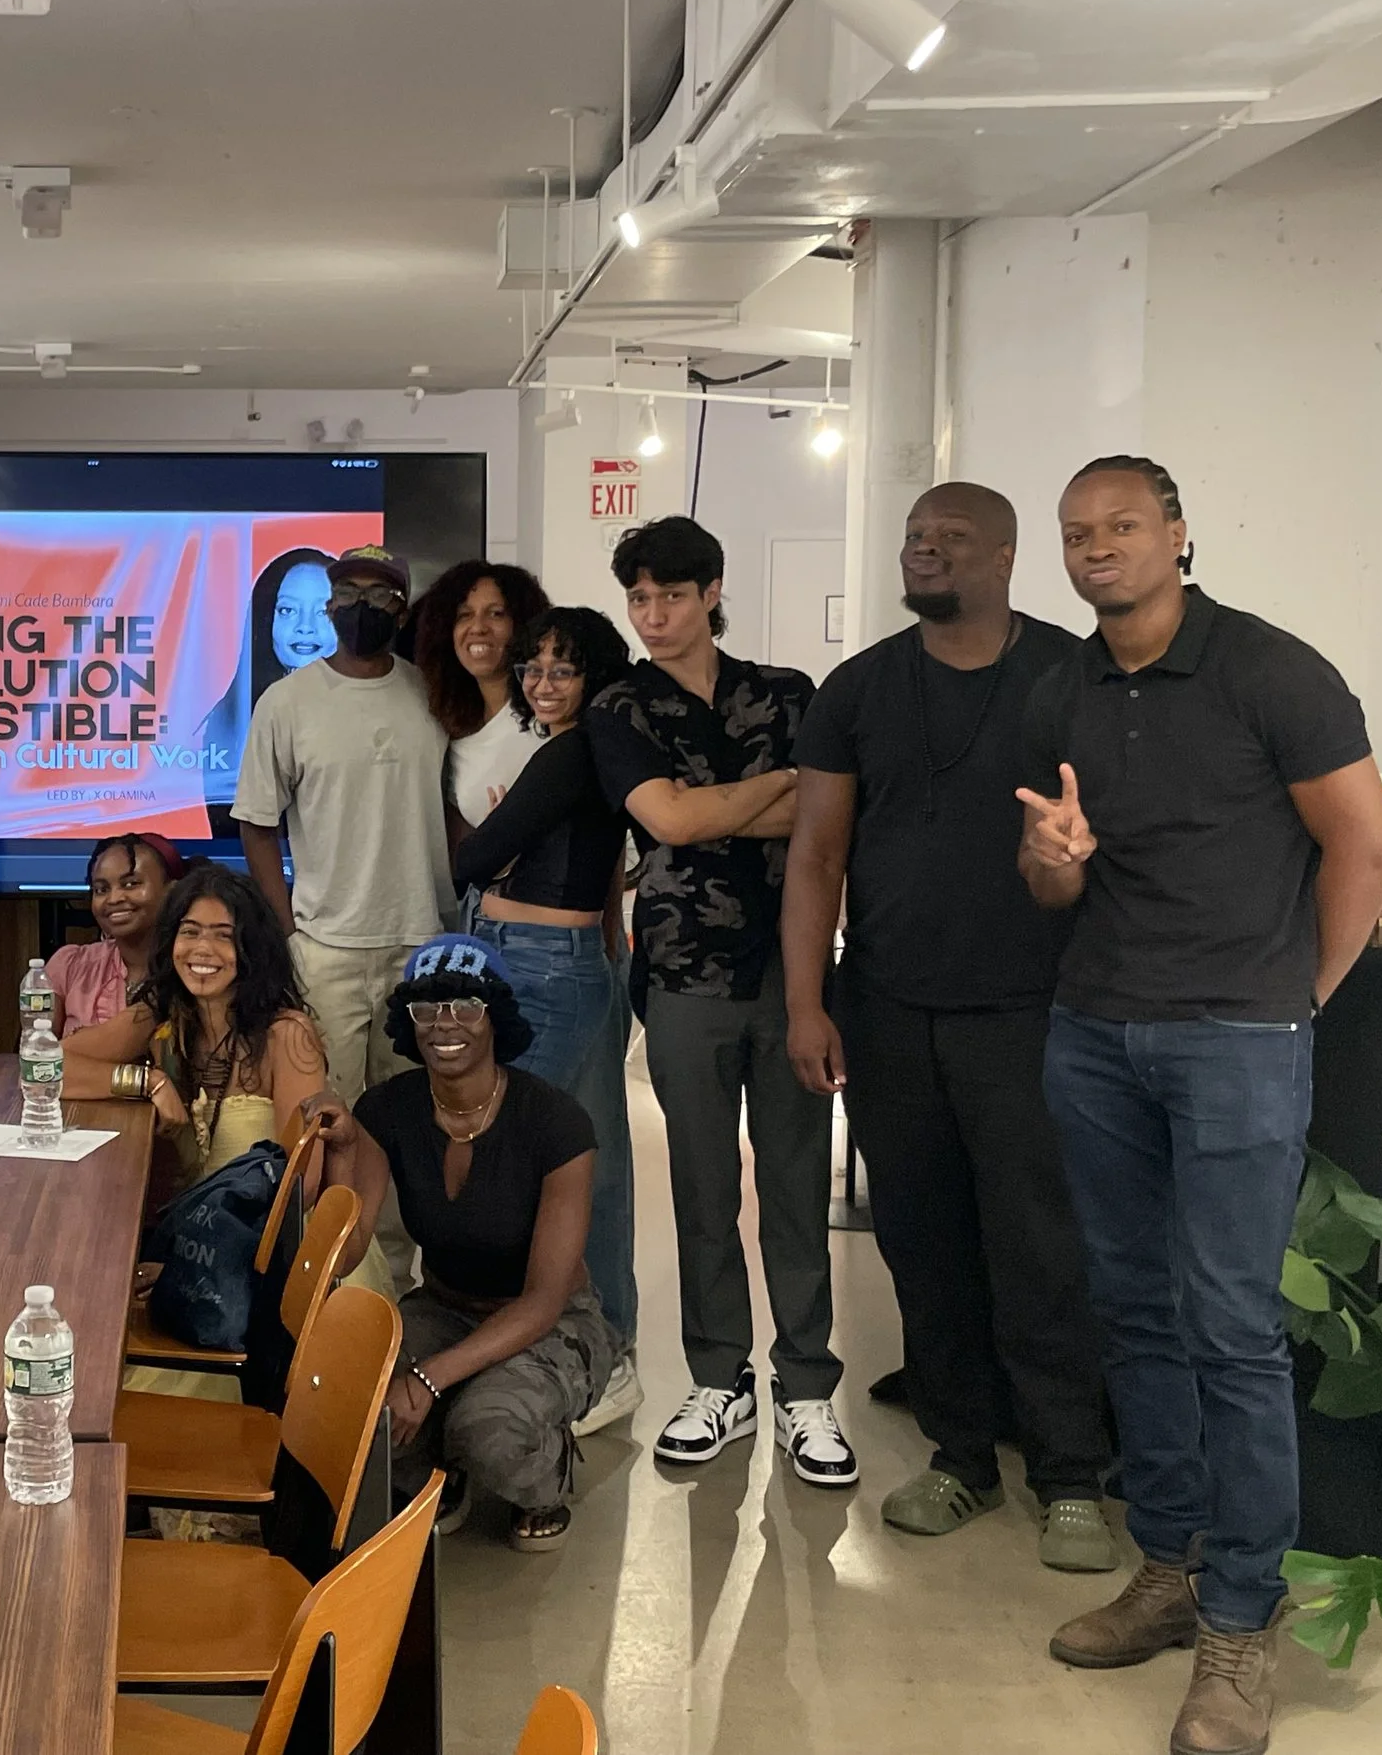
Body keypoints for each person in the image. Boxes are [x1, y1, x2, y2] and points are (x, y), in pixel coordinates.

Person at [1018, 456, 1382, 1755]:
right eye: (1077, 534)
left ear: (1178, 534)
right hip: (1096, 1031)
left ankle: (1243, 1614)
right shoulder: (1065, 683)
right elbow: (1054, 879)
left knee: (1231, 1326)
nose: (1097, 549)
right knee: (1135, 1309)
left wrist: (1302, 995)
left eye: (1122, 526)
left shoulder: (1270, 669)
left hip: (1236, 1037)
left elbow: (1368, 844)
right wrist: (1050, 860)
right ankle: (1171, 1565)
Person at [779, 483, 1114, 1569]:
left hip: (1032, 1011)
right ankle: (962, 1458)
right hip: (886, 1009)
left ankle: (1068, 1475)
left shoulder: (1072, 675)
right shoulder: (859, 687)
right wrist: (805, 1002)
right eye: (915, 537)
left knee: (1038, 1246)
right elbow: (817, 856)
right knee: (920, 1243)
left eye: (949, 539)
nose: (923, 552)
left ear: (1006, 556)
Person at [589, 515, 855, 1486]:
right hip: (681, 975)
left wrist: (723, 810)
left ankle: (806, 1387)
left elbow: (834, 816)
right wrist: (781, 785)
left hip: (792, 977)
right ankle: (718, 1379)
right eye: (639, 599)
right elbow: (666, 817)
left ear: (711, 592)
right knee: (701, 1191)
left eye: (670, 596)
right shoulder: (620, 705)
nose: (653, 616)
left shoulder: (786, 694)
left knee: (792, 1188)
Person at [313, 934, 613, 1550]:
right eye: (427, 1008)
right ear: (409, 1023)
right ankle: (437, 1473)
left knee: (490, 1432)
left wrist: (427, 1379)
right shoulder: (388, 1110)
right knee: (356, 1411)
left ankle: (544, 1472)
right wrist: (342, 1151)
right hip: (444, 1307)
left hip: (550, 1323)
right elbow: (346, 1248)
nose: (445, 1024)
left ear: (495, 1016)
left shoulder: (556, 1124)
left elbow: (543, 1300)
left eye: (466, 1005)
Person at [454, 605, 641, 1435]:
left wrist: (496, 830)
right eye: (533, 666)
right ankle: (589, 1349)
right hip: (529, 956)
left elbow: (470, 857)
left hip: (541, 964)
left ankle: (589, 1353)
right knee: (559, 1158)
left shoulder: (573, 751)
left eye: (563, 667)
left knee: (522, 1162)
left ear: (597, 675)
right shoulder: (579, 751)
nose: (541, 681)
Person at [234, 544, 453, 1104]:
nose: (362, 606)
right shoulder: (285, 703)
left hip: (421, 940)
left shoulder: (434, 694)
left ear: (402, 611)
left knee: (411, 1111)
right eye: (349, 594)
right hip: (326, 945)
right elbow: (258, 823)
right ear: (331, 606)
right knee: (329, 1115)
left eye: (379, 594)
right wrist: (289, 932)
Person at [61, 859, 330, 1199]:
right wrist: (148, 1082)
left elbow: (302, 1186)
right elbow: (42, 1068)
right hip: (186, 1229)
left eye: (224, 936)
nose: (203, 949)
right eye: (189, 932)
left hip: (264, 1238)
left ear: (254, 948)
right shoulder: (160, 1017)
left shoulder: (288, 1035)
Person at [404, 561, 552, 851]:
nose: (478, 627)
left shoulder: (549, 715)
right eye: (464, 615)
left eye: (496, 614)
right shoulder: (451, 730)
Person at [203, 547, 338, 822]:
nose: (305, 627)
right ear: (267, 619)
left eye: (323, 611)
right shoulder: (230, 717)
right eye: (288, 610)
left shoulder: (369, 708)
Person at [46, 832, 185, 1035]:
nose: (114, 898)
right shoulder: (69, 966)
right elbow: (35, 1055)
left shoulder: (190, 970)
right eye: (101, 889)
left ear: (172, 891)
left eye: (131, 884)